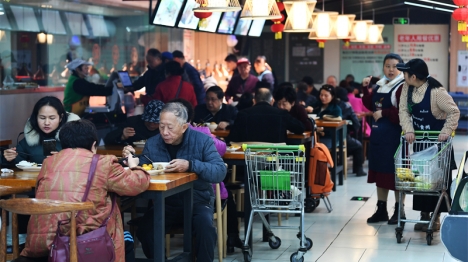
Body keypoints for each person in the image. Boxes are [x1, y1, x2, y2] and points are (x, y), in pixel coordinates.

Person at [14, 119, 150, 262]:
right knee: (126, 238)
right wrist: (134, 166)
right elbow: (136, 184)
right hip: (84, 245)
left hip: (41, 245)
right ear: (93, 145)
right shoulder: (103, 163)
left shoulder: (48, 162)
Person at [125, 102, 226, 261]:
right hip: (166, 203)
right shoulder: (153, 143)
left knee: (205, 228)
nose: (164, 132)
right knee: (145, 230)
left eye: (170, 128)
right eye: (161, 126)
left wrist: (191, 165)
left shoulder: (202, 141)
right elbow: (145, 162)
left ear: (184, 127)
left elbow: (220, 171)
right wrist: (131, 159)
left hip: (197, 201)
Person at [397, 58, 460, 231]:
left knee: (438, 182)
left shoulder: (437, 92)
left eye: (405, 73)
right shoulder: (407, 88)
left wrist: (446, 131)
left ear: (414, 76)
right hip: (420, 144)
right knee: (422, 180)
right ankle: (424, 214)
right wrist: (408, 129)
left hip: (438, 145)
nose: (403, 76)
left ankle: (436, 216)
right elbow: (403, 109)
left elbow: (454, 111)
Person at [361, 53, 407, 225]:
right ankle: (381, 209)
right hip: (378, 136)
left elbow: (404, 113)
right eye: (387, 66)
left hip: (394, 137)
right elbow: (370, 104)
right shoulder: (381, 85)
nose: (391, 69)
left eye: (395, 66)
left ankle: (399, 210)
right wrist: (365, 88)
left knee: (395, 175)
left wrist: (385, 113)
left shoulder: (402, 86)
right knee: (380, 173)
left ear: (401, 68)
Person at [3, 96, 80, 165]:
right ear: (36, 117)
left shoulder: (74, 137)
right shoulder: (31, 138)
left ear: (61, 117)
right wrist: (8, 158)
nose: (46, 123)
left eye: (52, 118)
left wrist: (65, 159)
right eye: (42, 118)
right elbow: (17, 162)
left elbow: (85, 161)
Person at [228, 87, 305, 143]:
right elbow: (300, 128)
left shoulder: (242, 114)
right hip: (275, 159)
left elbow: (232, 138)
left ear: (254, 101)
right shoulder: (281, 114)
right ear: (272, 101)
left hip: (249, 160)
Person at [334, 87, 366, 177]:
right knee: (358, 145)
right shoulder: (346, 106)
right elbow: (356, 124)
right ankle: (358, 170)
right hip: (340, 138)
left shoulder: (319, 105)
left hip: (322, 139)